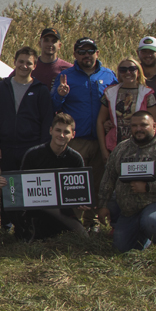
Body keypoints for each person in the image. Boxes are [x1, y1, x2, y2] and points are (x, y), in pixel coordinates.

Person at [98, 110, 156, 252]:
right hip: (131, 209)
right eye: (134, 126)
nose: (138, 129)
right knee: (121, 249)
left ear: (154, 126)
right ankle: (145, 234)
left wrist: (148, 187)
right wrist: (103, 205)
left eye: (143, 125)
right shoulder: (122, 148)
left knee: (153, 222)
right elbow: (108, 177)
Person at [51, 37, 118, 228]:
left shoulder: (109, 76)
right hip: (76, 139)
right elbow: (53, 105)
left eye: (90, 51)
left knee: (98, 182)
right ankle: (72, 222)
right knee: (74, 182)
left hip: (101, 140)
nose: (86, 55)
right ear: (75, 54)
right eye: (82, 52)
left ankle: (92, 222)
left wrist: (111, 122)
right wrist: (60, 95)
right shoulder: (66, 76)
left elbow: (117, 104)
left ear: (97, 53)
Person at [15, 113, 89, 239]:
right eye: (58, 130)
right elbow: (20, 186)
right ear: (51, 130)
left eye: (66, 132)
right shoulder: (33, 154)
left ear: (73, 135)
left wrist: (81, 201)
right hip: (36, 207)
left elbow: (78, 192)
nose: (61, 135)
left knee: (83, 236)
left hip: (61, 209)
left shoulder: (76, 159)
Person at [0, 46, 54, 171]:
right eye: (21, 62)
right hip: (5, 148)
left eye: (29, 63)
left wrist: (43, 148)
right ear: (15, 62)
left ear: (35, 66)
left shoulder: (41, 90)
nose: (24, 66)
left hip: (32, 148)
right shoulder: (2, 87)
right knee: (8, 182)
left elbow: (47, 121)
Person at [98, 56, 156, 163]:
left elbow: (154, 124)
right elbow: (100, 121)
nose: (127, 72)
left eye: (132, 69)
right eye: (123, 70)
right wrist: (103, 150)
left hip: (141, 147)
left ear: (138, 71)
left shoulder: (147, 94)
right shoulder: (110, 92)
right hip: (114, 147)